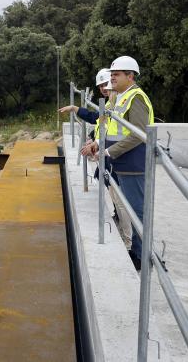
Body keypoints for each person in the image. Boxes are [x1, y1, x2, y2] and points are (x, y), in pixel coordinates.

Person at [85, 55, 154, 270]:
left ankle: (141, 256)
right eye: (112, 74)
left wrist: (107, 151)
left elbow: (139, 134)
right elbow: (111, 126)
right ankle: (137, 252)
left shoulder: (136, 98)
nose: (112, 78)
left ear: (130, 76)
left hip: (134, 163)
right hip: (123, 162)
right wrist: (99, 143)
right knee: (131, 209)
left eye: (116, 74)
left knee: (137, 211)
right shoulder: (121, 97)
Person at [59, 69, 132, 249]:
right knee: (109, 186)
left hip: (116, 155)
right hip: (108, 153)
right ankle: (121, 223)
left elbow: (113, 128)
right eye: (100, 86)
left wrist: (96, 143)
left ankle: (130, 241)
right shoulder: (110, 103)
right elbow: (99, 121)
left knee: (121, 196)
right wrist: (93, 138)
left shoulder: (117, 102)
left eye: (106, 84)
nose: (104, 88)